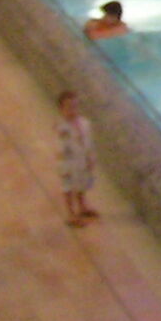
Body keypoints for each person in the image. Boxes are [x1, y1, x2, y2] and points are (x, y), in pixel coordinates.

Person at [56, 91, 99, 226]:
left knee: (82, 183)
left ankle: (82, 206)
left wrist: (90, 157)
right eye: (68, 108)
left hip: (82, 160)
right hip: (68, 162)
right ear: (61, 110)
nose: (72, 111)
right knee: (68, 187)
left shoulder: (84, 123)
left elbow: (89, 141)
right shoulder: (62, 127)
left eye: (75, 107)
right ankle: (70, 213)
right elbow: (62, 146)